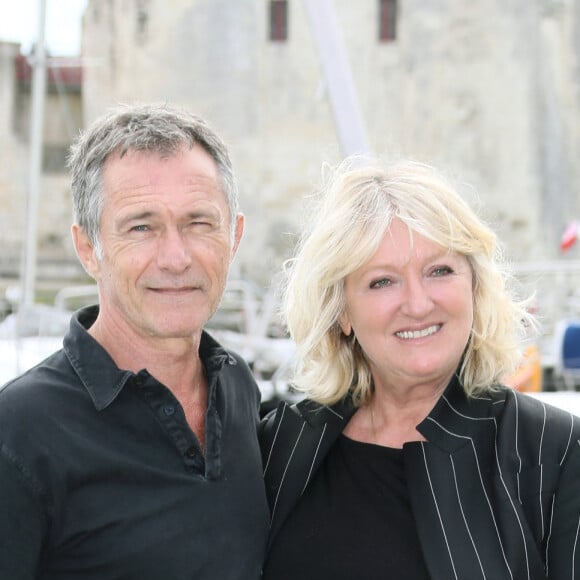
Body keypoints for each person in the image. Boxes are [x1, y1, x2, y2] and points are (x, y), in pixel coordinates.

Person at [260, 157, 580, 580]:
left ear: (474, 287)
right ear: (342, 312)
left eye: (439, 271)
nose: (416, 303)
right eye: (382, 281)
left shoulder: (552, 450)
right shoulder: (280, 442)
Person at [0, 103, 269, 579]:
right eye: (141, 227)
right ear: (88, 249)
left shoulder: (238, 389)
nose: (175, 257)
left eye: (199, 223)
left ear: (235, 237)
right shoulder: (18, 433)